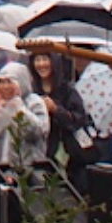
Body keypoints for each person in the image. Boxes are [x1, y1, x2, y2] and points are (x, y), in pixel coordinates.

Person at [0, 60, 50, 223]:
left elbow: (38, 131)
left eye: (10, 82)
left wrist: (18, 107)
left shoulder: (34, 102)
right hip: (1, 169)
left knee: (22, 215)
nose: (5, 86)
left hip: (27, 169)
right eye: (1, 82)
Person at [27, 48, 95, 188]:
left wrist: (56, 109)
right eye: (37, 60)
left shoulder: (67, 90)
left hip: (68, 153)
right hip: (39, 153)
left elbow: (78, 119)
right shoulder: (31, 90)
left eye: (45, 59)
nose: (41, 64)